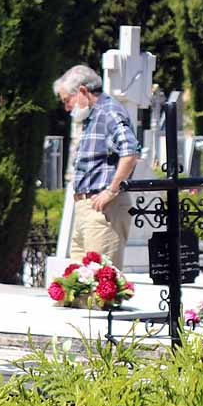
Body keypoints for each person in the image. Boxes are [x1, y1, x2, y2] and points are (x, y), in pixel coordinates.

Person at [53, 64, 140, 269]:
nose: (67, 108)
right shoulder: (92, 116)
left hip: (104, 209)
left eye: (67, 100)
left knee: (100, 282)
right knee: (78, 282)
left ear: (83, 91)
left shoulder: (109, 112)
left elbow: (130, 152)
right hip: (86, 207)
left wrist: (111, 191)